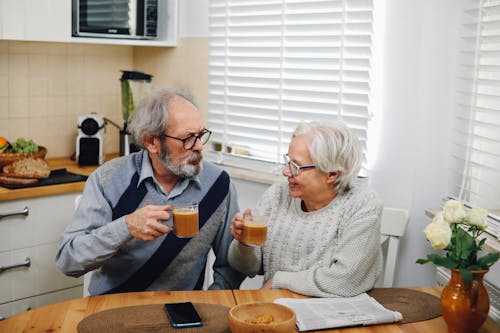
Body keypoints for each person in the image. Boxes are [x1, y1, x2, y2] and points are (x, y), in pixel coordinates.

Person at [56, 87, 245, 295]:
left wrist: (210, 303)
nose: (199, 146)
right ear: (151, 142)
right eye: (187, 138)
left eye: (200, 135)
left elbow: (230, 265)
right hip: (113, 308)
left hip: (181, 313)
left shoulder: (218, 185)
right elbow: (69, 261)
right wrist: (125, 227)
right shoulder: (107, 179)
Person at [228, 121, 383, 297]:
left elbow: (345, 280)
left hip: (336, 312)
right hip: (279, 308)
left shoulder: (363, 205)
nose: (286, 172)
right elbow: (246, 267)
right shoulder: (277, 195)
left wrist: (280, 281)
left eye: (296, 166)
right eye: (287, 161)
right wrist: (244, 243)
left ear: (332, 174)